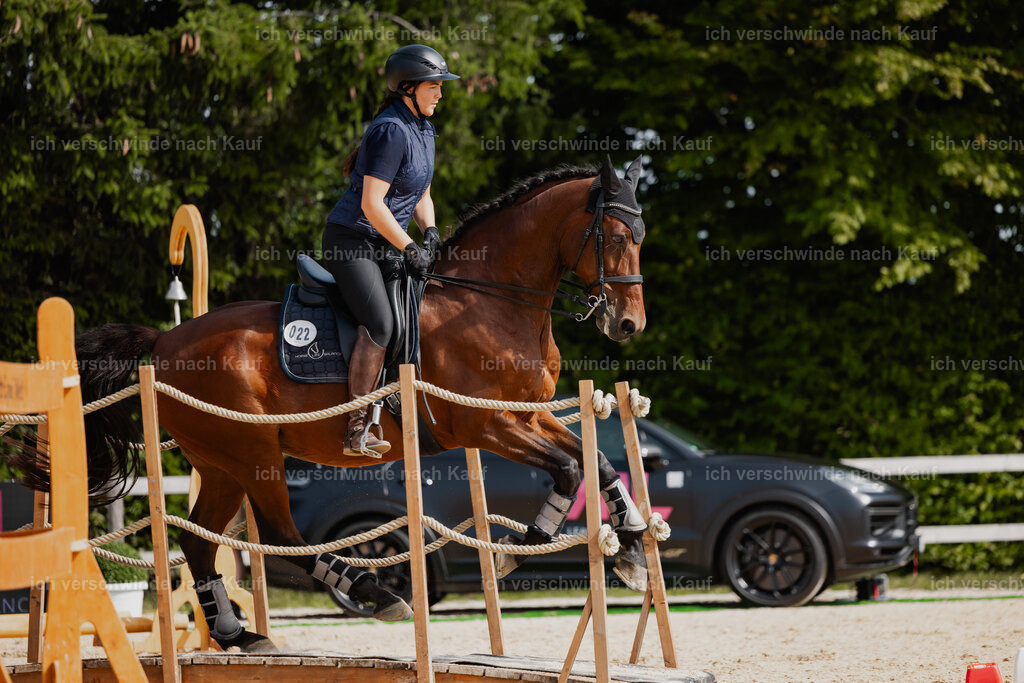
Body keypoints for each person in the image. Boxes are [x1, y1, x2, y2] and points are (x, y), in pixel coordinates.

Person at [322, 44, 458, 457]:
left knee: (418, 312)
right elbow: (372, 204)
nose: (440, 94)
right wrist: (409, 246)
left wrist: (430, 229)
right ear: (408, 88)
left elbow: (421, 191)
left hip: (384, 240)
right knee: (381, 324)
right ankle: (356, 427)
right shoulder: (390, 130)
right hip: (352, 241)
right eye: (434, 86)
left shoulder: (424, 129)